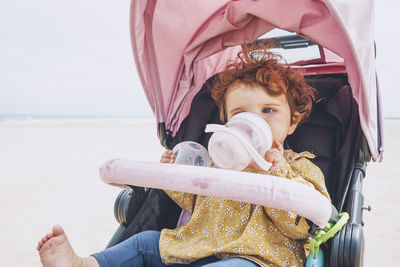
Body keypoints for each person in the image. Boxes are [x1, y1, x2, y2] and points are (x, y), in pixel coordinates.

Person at [37, 44, 330, 267]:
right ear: (227, 121)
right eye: (241, 113)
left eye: (268, 111)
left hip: (256, 259)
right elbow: (192, 202)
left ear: (292, 122)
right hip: (195, 245)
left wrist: (276, 172)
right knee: (146, 242)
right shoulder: (219, 161)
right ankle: (85, 263)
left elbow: (302, 223)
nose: (255, 121)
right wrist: (176, 173)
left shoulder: (299, 167)